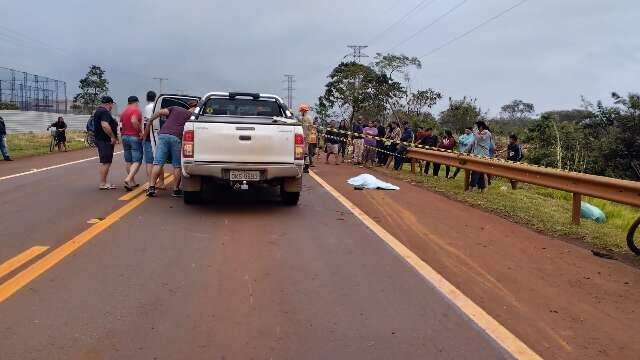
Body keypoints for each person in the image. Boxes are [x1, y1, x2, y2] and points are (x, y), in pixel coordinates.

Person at [145, 100, 198, 197]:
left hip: (163, 135)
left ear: (188, 106)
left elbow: (160, 112)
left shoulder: (175, 108)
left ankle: (151, 187)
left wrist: (151, 120)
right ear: (196, 108)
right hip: (176, 138)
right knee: (177, 165)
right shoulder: (193, 117)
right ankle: (176, 190)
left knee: (158, 162)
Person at [93, 96, 119, 190]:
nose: (112, 107)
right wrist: (112, 136)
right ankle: (103, 183)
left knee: (106, 161)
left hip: (100, 139)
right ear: (110, 103)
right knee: (106, 162)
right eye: (112, 105)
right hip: (104, 140)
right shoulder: (104, 112)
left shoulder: (98, 111)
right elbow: (105, 125)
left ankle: (104, 182)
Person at [120, 96, 144, 190]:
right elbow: (134, 120)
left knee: (128, 160)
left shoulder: (123, 112)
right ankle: (129, 178)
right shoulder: (136, 110)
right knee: (137, 160)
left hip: (124, 137)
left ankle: (131, 182)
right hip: (134, 137)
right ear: (136, 102)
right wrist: (140, 132)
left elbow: (121, 126)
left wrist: (122, 135)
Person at [143, 90, 165, 189]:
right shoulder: (159, 107)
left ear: (146, 98)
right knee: (158, 160)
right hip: (159, 135)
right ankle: (161, 182)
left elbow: (148, 123)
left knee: (149, 161)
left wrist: (144, 135)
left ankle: (151, 182)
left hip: (151, 135)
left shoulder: (148, 108)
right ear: (155, 98)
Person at [465, 121, 493, 192]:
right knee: (480, 172)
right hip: (477, 155)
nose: (475, 129)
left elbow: (479, 139)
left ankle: (471, 188)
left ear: (480, 127)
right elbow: (472, 143)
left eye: (476, 127)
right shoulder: (478, 134)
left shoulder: (487, 133)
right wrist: (465, 151)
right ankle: (482, 188)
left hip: (483, 155)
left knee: (475, 171)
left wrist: (474, 132)